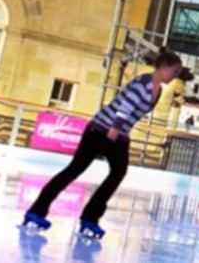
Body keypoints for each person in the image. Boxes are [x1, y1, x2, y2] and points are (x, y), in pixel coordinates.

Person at [22, 51, 183, 239]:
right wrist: (113, 132)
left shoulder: (158, 89)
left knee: (117, 173)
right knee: (75, 170)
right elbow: (125, 108)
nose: (176, 76)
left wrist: (118, 134)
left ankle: (90, 217)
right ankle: (37, 211)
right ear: (163, 67)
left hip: (119, 134)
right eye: (175, 71)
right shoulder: (143, 84)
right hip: (101, 130)